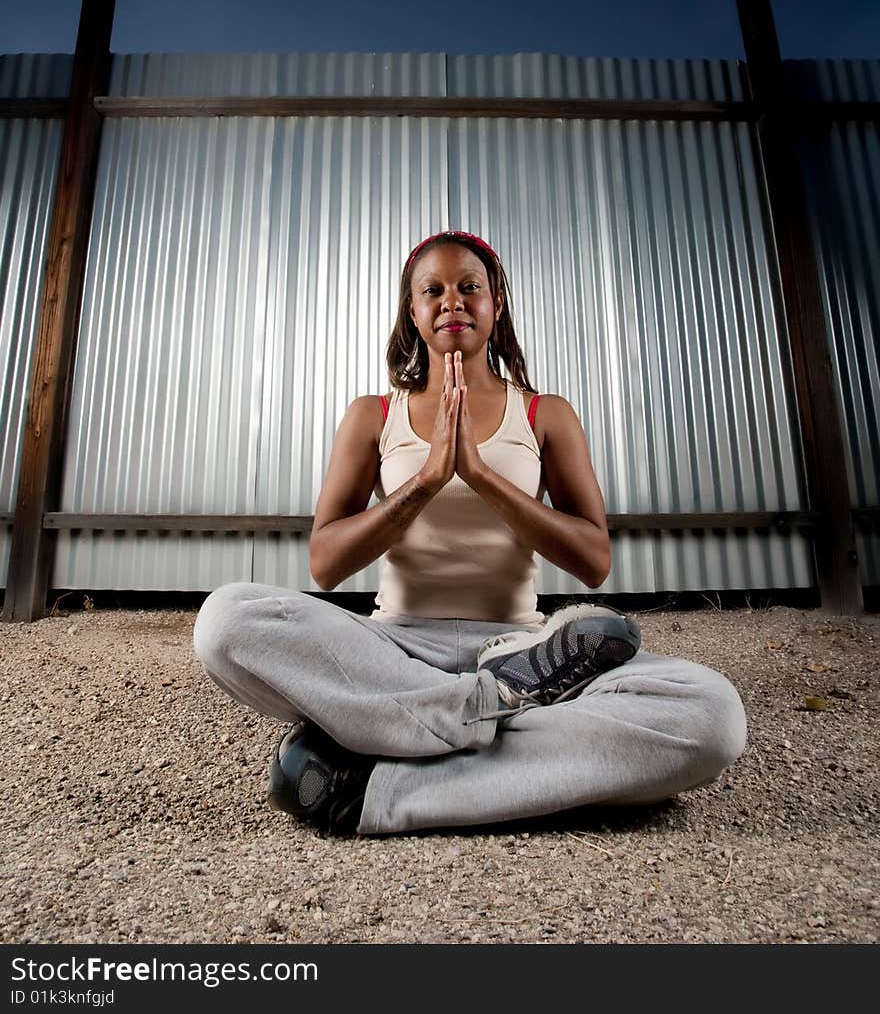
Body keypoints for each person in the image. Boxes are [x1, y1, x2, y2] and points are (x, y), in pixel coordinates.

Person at [193, 230, 746, 836]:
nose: (451, 300)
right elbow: (325, 563)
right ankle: (490, 714)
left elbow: (594, 560)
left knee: (712, 715)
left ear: (495, 303)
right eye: (433, 290)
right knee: (226, 620)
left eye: (469, 288)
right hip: (394, 655)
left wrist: (480, 476)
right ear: (413, 310)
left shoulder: (545, 413)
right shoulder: (372, 415)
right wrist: (426, 481)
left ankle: (390, 778)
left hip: (524, 649)